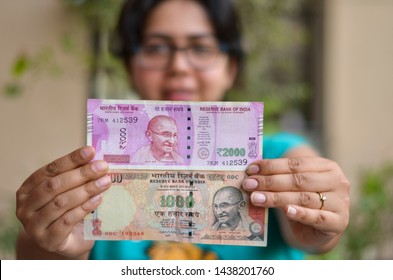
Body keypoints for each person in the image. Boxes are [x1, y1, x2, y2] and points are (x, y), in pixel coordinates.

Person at [16, 0, 350, 260]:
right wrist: (52, 244)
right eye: (157, 47)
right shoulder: (95, 177)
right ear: (130, 67)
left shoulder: (276, 156)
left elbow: (312, 210)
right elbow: (34, 262)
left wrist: (319, 220)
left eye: (201, 48)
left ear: (230, 67)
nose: (178, 66)